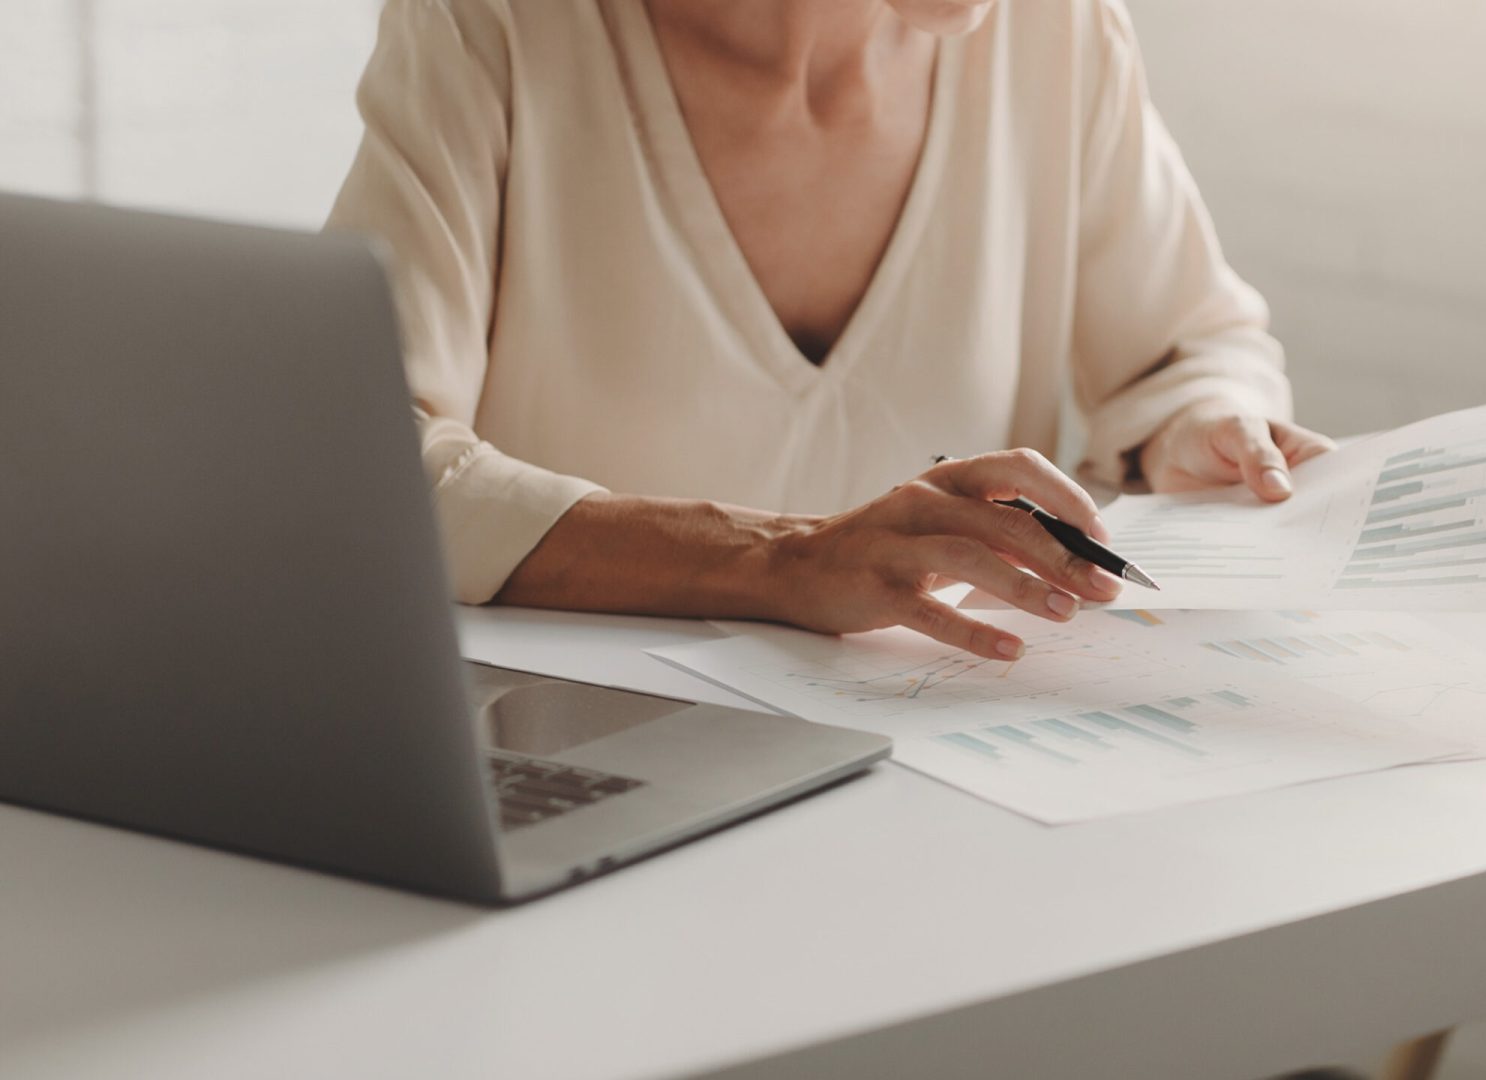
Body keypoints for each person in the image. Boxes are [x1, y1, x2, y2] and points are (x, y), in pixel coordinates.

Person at [328, 0, 1333, 662]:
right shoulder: (492, 26)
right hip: (591, 782)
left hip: (959, 776)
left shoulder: (1052, 30)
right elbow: (354, 461)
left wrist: (1200, 420)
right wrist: (782, 561)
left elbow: (1194, 345)